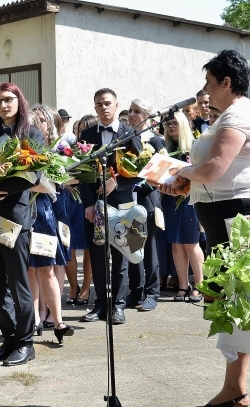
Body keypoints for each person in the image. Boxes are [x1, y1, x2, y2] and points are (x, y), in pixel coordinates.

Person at [161, 49, 250, 407]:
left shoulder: (240, 114)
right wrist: (184, 183)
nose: (206, 91)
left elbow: (214, 168)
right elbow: (215, 174)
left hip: (246, 220)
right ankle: (235, 390)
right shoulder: (226, 116)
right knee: (234, 308)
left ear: (226, 83)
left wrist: (180, 173)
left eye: (210, 83)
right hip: (224, 222)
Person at [0, 82, 44, 366]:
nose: (3, 105)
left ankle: (26, 342)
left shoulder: (31, 134)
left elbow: (34, 176)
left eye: (8, 99)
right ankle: (9, 339)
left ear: (19, 100)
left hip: (14, 216)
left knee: (17, 282)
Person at [79, 89, 142, 326]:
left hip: (123, 204)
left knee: (121, 254)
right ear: (95, 108)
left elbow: (139, 169)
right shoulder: (86, 134)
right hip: (96, 205)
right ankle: (101, 305)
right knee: (97, 256)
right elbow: (83, 172)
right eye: (99, 105)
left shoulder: (130, 133)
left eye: (107, 103)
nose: (104, 108)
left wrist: (117, 181)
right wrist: (87, 204)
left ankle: (118, 305)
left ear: (116, 106)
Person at [28, 104, 74, 342]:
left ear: (49, 124)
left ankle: (58, 322)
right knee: (29, 269)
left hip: (45, 212)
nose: (36, 124)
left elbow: (53, 185)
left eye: (40, 120)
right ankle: (34, 317)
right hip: (25, 212)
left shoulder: (55, 151)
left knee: (46, 267)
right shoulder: (23, 149)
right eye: (31, 120)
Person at [125, 98, 164, 311]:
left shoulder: (156, 141)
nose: (131, 115)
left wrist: (136, 187)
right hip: (128, 201)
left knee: (148, 249)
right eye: (130, 110)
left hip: (147, 200)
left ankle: (152, 292)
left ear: (147, 116)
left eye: (137, 111)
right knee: (132, 246)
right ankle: (136, 291)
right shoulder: (126, 137)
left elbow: (158, 175)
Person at [162, 112, 203, 303]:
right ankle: (183, 286)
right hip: (170, 199)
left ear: (184, 125)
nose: (171, 127)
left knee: (190, 243)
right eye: (168, 124)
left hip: (189, 199)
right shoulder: (165, 148)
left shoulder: (194, 147)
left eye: (175, 123)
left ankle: (200, 285)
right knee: (176, 244)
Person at [62, 115, 97, 306]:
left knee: (89, 247)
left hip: (86, 200)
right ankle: (73, 286)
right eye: (77, 129)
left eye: (82, 129)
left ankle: (85, 287)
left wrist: (74, 179)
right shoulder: (69, 149)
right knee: (69, 245)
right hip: (70, 200)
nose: (79, 133)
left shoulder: (95, 149)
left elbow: (90, 176)